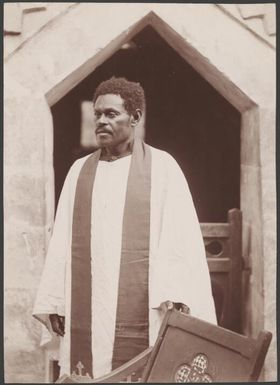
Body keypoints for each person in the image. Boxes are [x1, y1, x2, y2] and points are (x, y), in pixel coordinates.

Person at [33, 77, 216, 380]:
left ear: (135, 117)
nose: (101, 121)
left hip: (145, 303)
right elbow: (62, 239)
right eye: (98, 114)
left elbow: (179, 236)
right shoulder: (79, 171)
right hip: (87, 304)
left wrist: (174, 290)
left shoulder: (162, 167)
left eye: (111, 114)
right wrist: (54, 299)